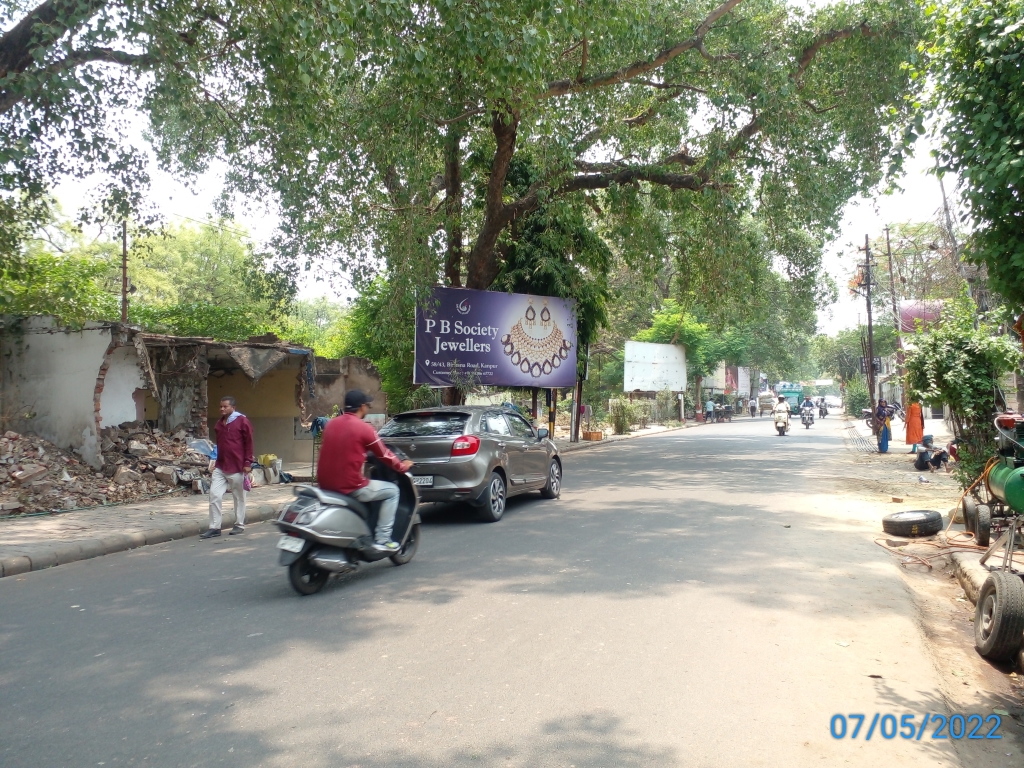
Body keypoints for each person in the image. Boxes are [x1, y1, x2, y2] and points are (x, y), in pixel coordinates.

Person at [316, 390, 414, 553]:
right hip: (350, 486)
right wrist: (402, 466)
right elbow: (384, 454)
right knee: (393, 491)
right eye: (367, 406)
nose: (367, 409)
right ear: (362, 407)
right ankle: (383, 539)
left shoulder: (331, 424)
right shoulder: (364, 428)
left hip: (325, 485)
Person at [200, 396, 254, 538]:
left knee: (239, 497)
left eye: (225, 406)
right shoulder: (219, 424)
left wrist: (248, 462)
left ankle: (239, 524)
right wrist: (214, 459)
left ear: (233, 408)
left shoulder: (242, 421)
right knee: (214, 495)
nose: (222, 409)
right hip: (221, 465)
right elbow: (219, 444)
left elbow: (249, 443)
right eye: (221, 407)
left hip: (238, 466)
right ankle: (215, 527)